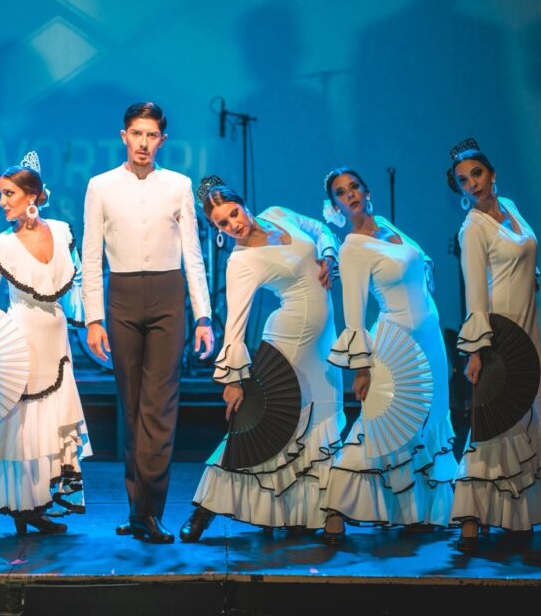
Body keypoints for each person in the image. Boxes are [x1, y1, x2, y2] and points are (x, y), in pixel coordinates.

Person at [178, 177, 344, 541]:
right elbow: (235, 326)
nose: (233, 224)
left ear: (243, 204)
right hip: (287, 343)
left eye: (234, 213)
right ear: (217, 229)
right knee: (263, 426)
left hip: (324, 344)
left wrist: (329, 254)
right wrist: (233, 380)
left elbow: (319, 229)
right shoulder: (240, 261)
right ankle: (205, 509)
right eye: (222, 223)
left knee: (323, 423)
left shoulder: (279, 214)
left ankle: (321, 513)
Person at [81, 102, 215, 544]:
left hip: (167, 297)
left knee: (159, 407)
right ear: (124, 136)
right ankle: (137, 509)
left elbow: (193, 254)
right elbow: (90, 257)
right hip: (121, 297)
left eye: (151, 135)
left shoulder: (178, 185)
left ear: (162, 140)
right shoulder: (100, 186)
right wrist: (93, 318)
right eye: (136, 134)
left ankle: (149, 511)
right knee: (133, 406)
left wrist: (203, 316)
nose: (143, 142)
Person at [0, 152, 91, 543]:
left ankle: (33, 506)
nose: (2, 201)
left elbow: (77, 284)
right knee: (4, 429)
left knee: (45, 429)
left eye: (8, 193)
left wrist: (93, 324)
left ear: (33, 195)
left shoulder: (62, 231)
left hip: (56, 345)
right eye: (0, 194)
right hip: (20, 343)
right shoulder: (3, 245)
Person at [446, 138, 541, 551]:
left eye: (477, 174)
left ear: (492, 173)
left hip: (529, 328)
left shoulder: (512, 208)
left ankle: (518, 512)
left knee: (529, 412)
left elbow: (522, 253)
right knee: (496, 419)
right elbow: (475, 294)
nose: (472, 183)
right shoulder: (472, 227)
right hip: (500, 332)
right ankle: (470, 519)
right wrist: (477, 350)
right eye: (463, 180)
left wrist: (530, 275)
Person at [320, 167, 457, 543]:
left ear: (367, 191)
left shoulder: (384, 225)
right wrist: (362, 368)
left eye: (354, 187)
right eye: (340, 193)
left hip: (430, 341)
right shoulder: (352, 247)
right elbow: (354, 313)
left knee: (426, 424)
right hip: (396, 344)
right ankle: (336, 511)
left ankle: (419, 511)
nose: (350, 194)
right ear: (335, 206)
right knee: (381, 423)